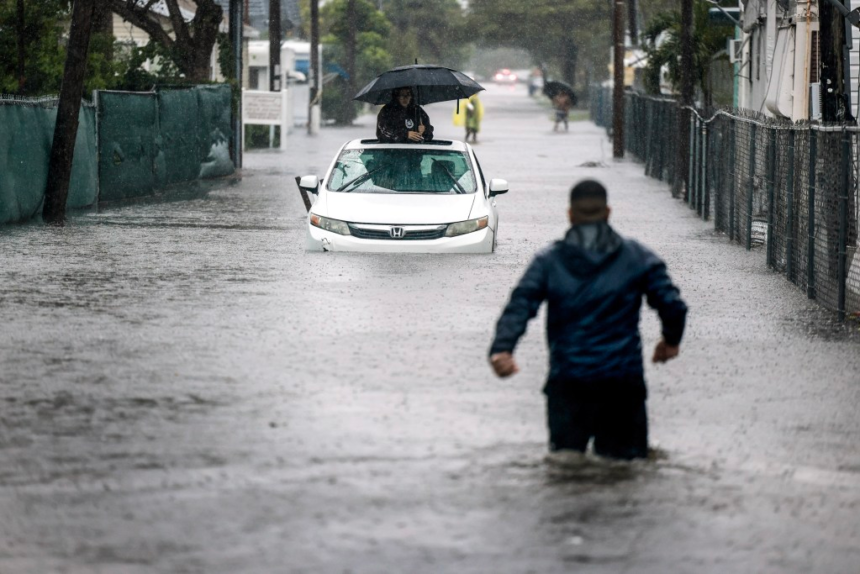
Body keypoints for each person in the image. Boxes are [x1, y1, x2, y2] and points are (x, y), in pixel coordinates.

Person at [488, 179, 688, 460]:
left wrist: (502, 349)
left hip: (568, 381)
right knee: (626, 471)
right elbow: (673, 305)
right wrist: (670, 341)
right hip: (622, 382)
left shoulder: (548, 261)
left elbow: (521, 304)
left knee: (566, 469)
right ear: (608, 212)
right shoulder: (638, 257)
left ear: (569, 214)